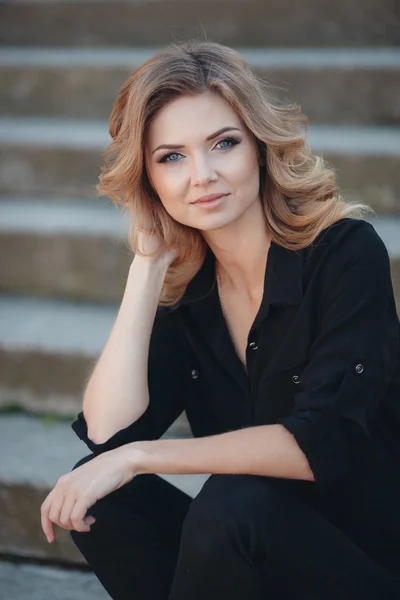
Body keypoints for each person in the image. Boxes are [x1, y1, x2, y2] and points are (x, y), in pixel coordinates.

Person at [40, 40, 400, 599]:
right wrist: (148, 265)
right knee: (101, 493)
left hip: (361, 562)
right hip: (251, 553)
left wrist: (142, 457)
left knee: (233, 502)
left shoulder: (346, 254)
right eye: (172, 157)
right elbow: (109, 435)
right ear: (148, 179)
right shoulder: (189, 291)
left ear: (259, 146)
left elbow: (318, 446)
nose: (202, 175)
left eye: (223, 144)